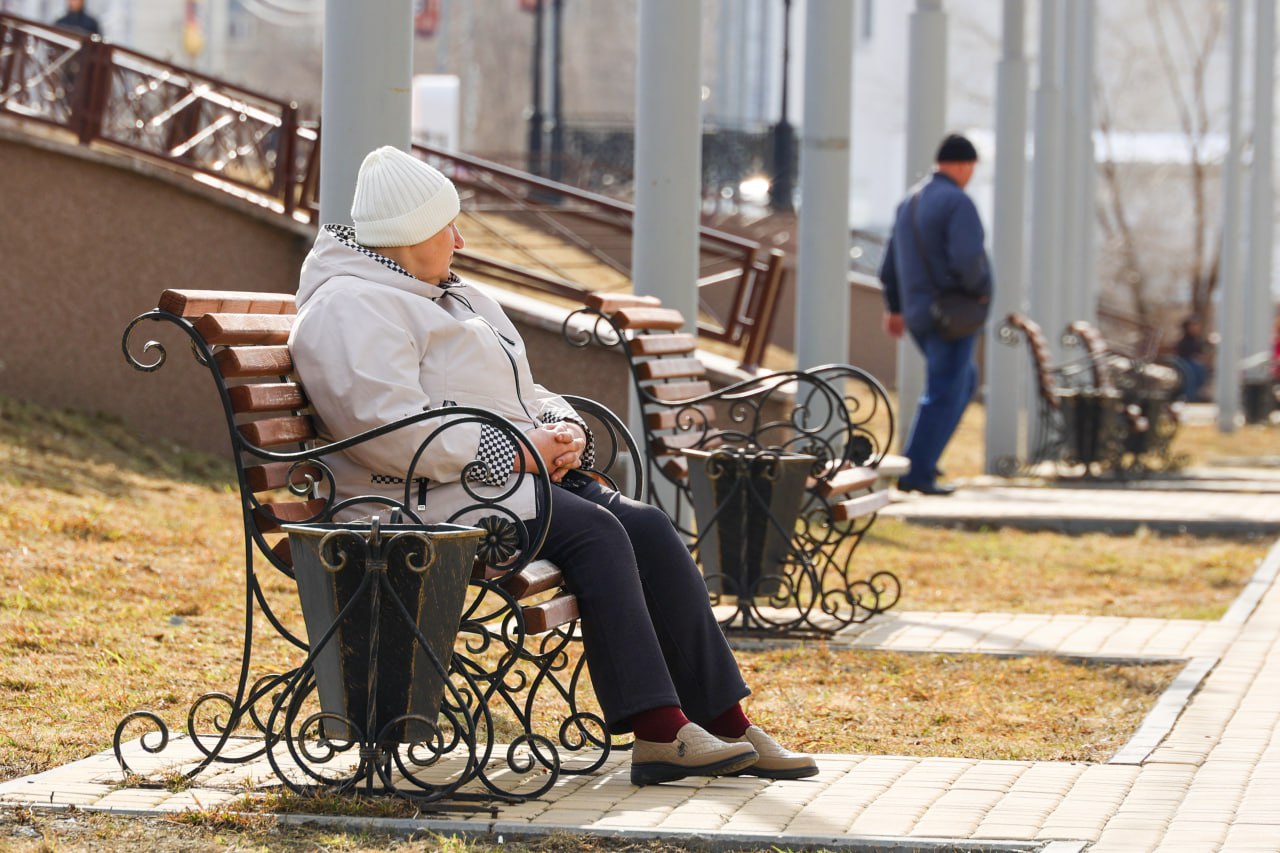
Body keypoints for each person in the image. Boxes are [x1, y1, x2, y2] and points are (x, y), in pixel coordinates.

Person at [288, 146, 818, 787]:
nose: (459, 238)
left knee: (646, 526)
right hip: (407, 499)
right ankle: (657, 730)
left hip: (481, 484)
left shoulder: (454, 295)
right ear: (404, 237)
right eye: (445, 227)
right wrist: (516, 452)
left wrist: (558, 428)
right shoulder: (351, 305)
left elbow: (520, 392)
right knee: (597, 534)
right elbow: (382, 429)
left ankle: (726, 722)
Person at [878, 133, 993, 496]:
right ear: (962, 165)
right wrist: (980, 289)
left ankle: (924, 459)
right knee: (944, 390)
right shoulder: (957, 203)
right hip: (951, 313)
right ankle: (918, 471)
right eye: (971, 167)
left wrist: (895, 307)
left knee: (962, 381)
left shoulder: (909, 202)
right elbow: (967, 258)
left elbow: (888, 264)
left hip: (918, 312)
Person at [1172, 314, 1210, 403]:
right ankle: (1189, 396)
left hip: (1195, 364)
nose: (1195, 328)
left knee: (1199, 368)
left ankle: (1197, 393)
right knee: (1191, 371)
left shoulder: (1198, 340)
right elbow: (1182, 353)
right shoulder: (1184, 340)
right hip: (1184, 363)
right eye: (1193, 326)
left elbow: (1201, 352)